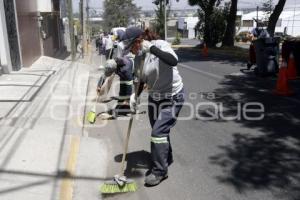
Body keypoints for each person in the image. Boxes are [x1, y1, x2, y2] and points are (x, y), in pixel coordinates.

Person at [123, 27, 185, 186]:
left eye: (132, 45)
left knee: (158, 132)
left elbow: (173, 61)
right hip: (155, 97)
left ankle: (160, 171)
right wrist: (135, 97)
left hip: (172, 96)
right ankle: (166, 157)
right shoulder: (138, 57)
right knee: (159, 130)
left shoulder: (160, 45)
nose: (131, 50)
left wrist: (152, 48)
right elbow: (142, 78)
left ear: (139, 41)